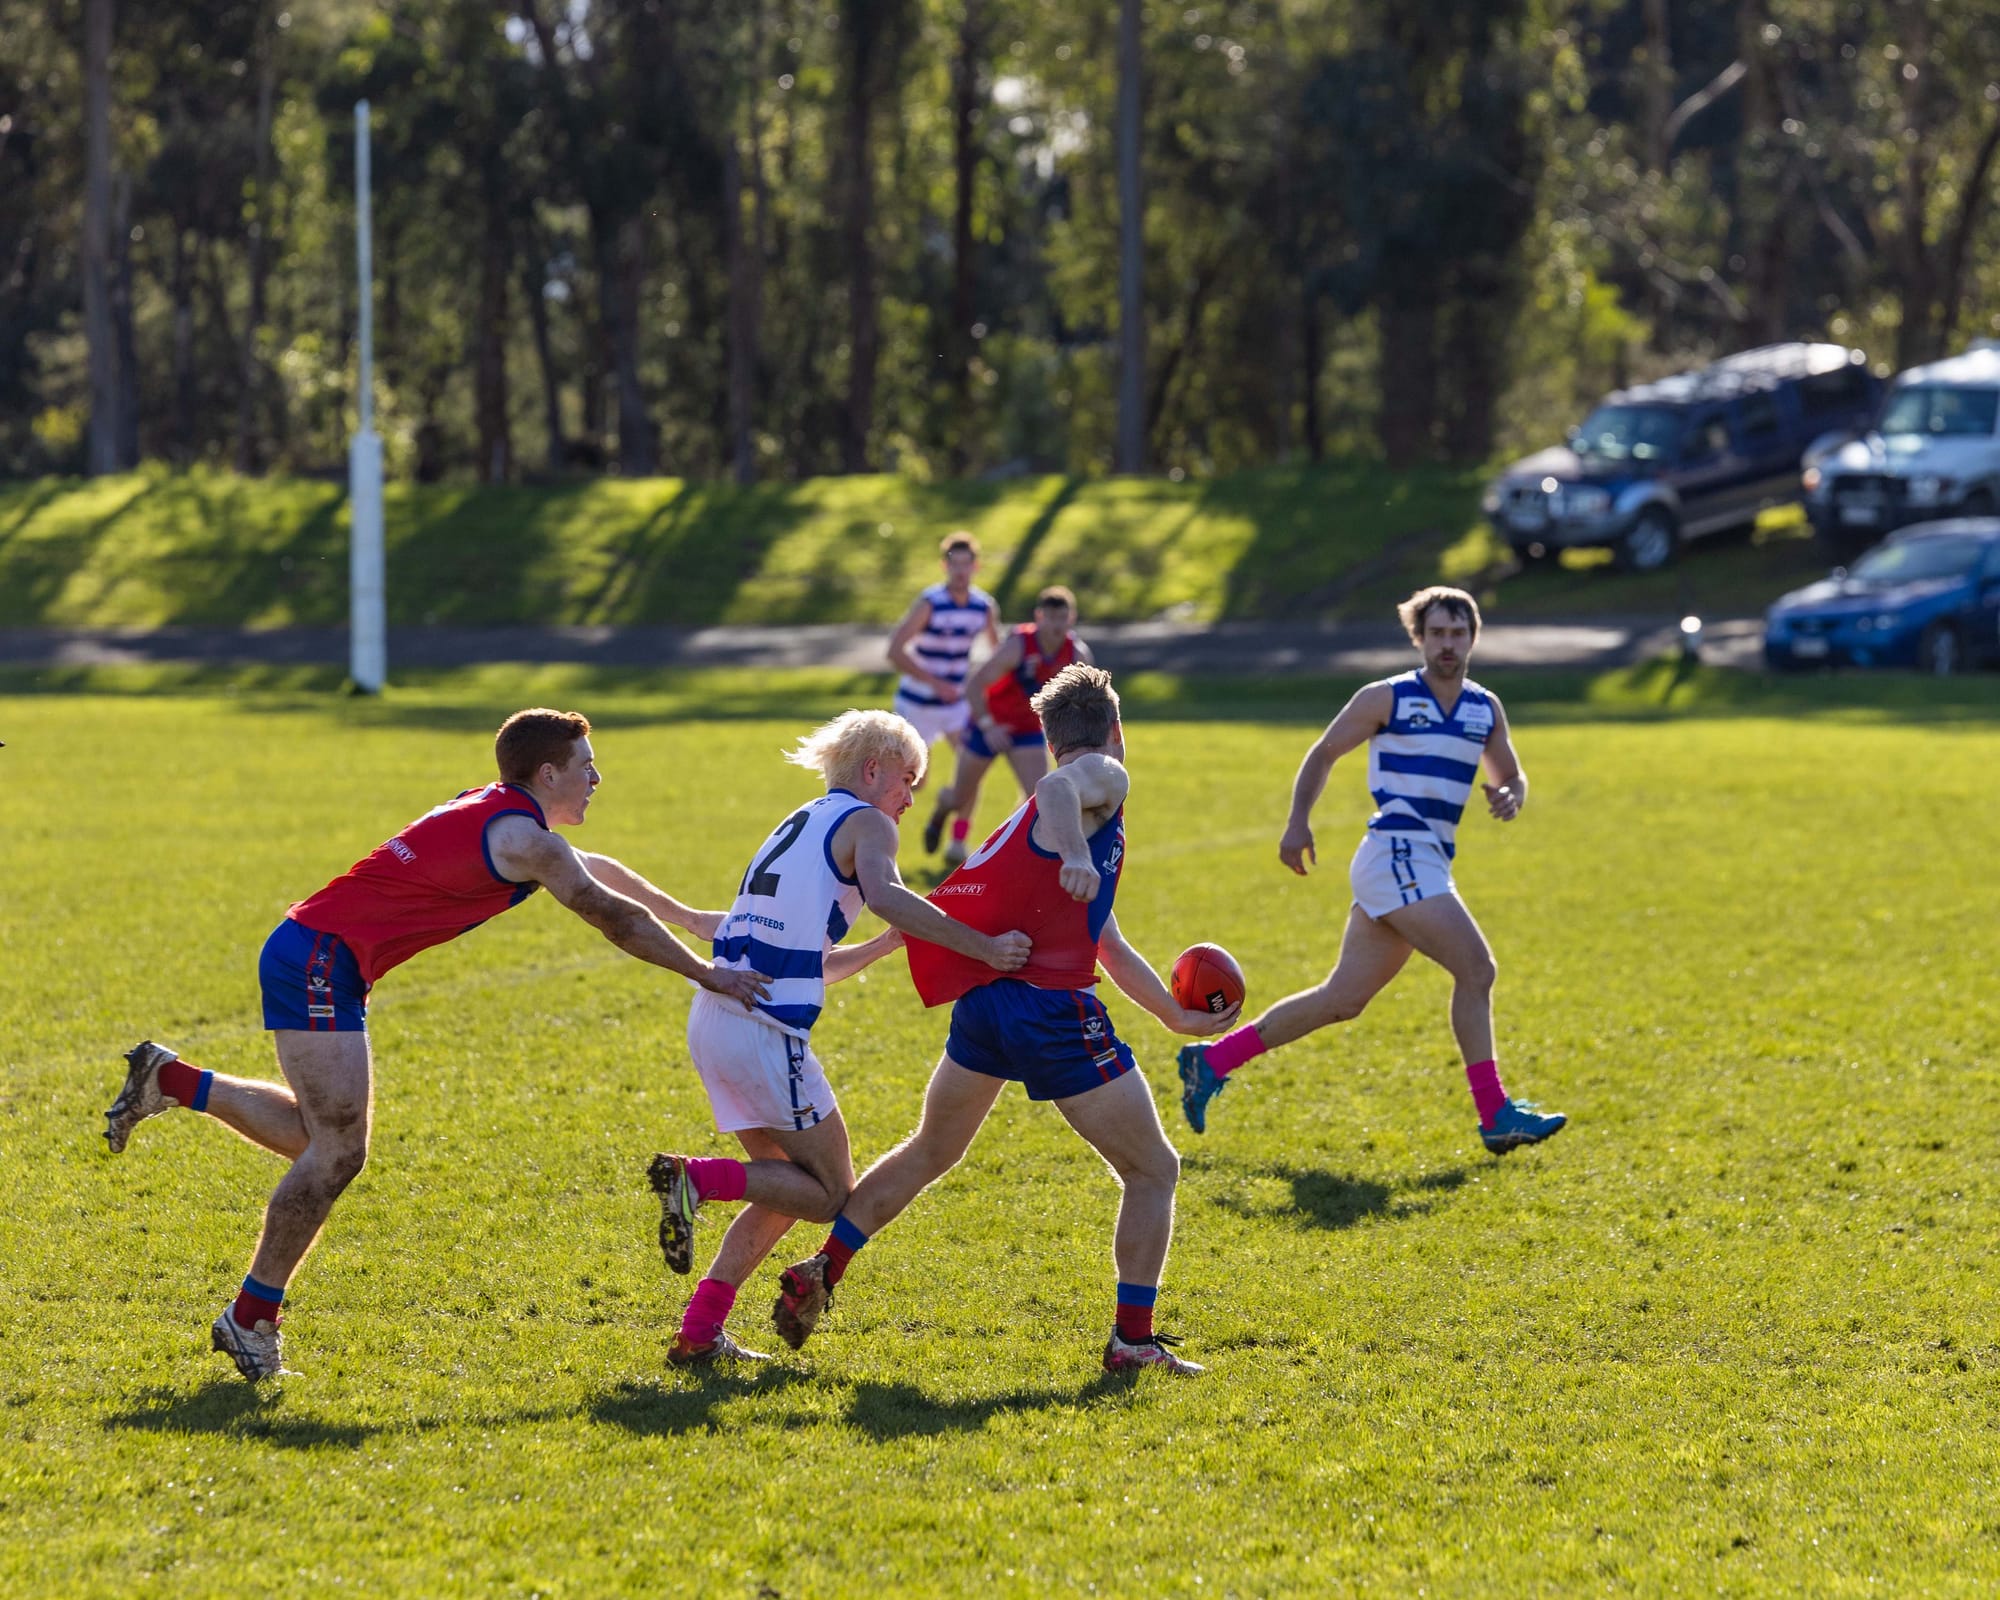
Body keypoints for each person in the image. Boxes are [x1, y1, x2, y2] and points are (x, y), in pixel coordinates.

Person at [101, 708, 769, 1383]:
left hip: (319, 954)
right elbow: (612, 915)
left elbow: (590, 870)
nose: (596, 778)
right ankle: (249, 1319)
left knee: (323, 1141)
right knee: (335, 1154)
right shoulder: (525, 839)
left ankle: (171, 1081)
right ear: (548, 773)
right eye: (586, 766)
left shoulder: (498, 810)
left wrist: (690, 918)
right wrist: (707, 973)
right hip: (319, 962)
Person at [767, 664, 1238, 1377]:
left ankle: (824, 1267)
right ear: (1115, 730)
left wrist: (1172, 1013)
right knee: (1154, 1169)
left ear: (1047, 739)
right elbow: (1056, 788)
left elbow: (1105, 938)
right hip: (1049, 1009)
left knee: (932, 1150)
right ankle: (1132, 1341)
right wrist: (1076, 855)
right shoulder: (1102, 778)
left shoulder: (1045, 816)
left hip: (988, 1001)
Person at [647, 710, 1032, 1365]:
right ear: (873, 769)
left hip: (716, 1017)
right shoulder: (869, 822)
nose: (910, 798)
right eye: (906, 780)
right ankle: (696, 1179)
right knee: (828, 1193)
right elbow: (887, 895)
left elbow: (809, 955)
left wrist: (884, 947)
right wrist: (985, 948)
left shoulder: (803, 820)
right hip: (766, 1031)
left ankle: (700, 1331)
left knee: (782, 1186)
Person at [1176, 587, 1567, 1156]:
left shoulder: (1485, 708)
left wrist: (1512, 793)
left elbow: (1510, 772)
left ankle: (1211, 1062)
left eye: (1458, 633)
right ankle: (1495, 1114)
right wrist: (1297, 822)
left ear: (1473, 638)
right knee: (1477, 970)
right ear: (1419, 638)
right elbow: (1324, 752)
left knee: (1343, 999)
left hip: (1424, 862)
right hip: (1396, 854)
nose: (1448, 644)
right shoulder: (1388, 697)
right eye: (1437, 633)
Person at [921, 585, 1092, 869]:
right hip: (987, 724)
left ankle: (1009, 851)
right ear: (1039, 616)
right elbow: (974, 685)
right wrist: (989, 727)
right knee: (960, 796)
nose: (1057, 625)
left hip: (1027, 730)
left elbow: (1084, 703)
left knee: (1038, 798)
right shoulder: (1019, 646)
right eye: (1051, 618)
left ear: (1071, 617)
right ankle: (942, 809)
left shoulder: (1077, 654)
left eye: (1062, 618)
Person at [888, 531, 1001, 811]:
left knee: (971, 771)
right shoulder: (931, 603)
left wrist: (980, 687)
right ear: (945, 566)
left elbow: (998, 657)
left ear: (975, 566)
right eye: (954, 563)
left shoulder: (983, 607)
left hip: (955, 705)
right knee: (913, 780)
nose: (960, 571)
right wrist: (935, 683)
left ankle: (956, 835)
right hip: (918, 703)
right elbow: (895, 651)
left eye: (966, 564)